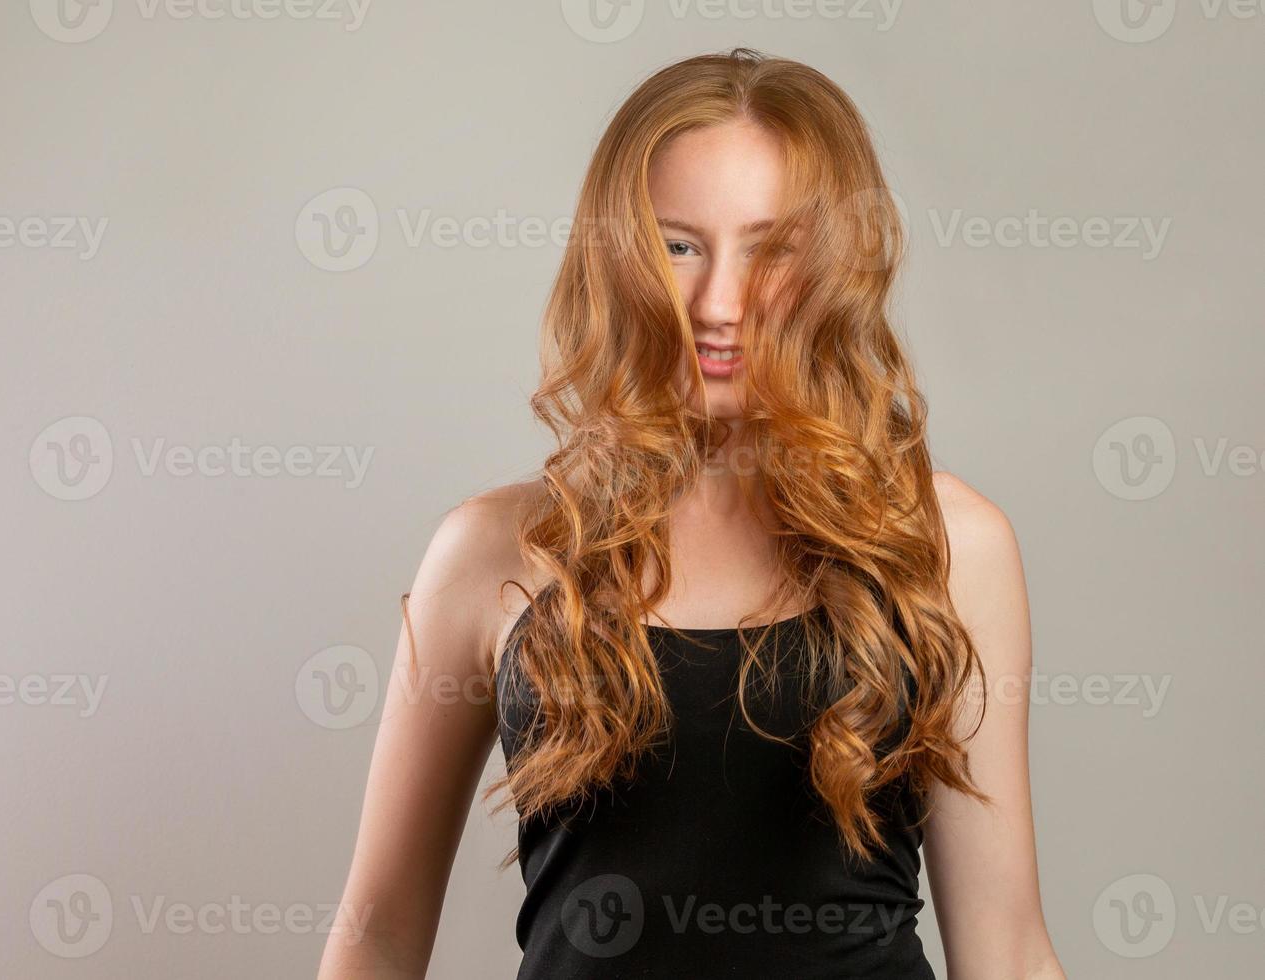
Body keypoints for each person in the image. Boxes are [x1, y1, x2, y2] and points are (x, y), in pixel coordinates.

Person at [319, 48, 1066, 979]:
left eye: (771, 250)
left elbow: (1005, 949)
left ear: (833, 266)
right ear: (618, 260)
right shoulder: (490, 552)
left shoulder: (948, 548)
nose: (719, 303)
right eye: (678, 245)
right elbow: (378, 936)